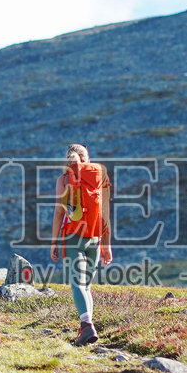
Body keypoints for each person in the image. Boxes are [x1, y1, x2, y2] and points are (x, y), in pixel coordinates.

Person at [50, 143, 112, 345]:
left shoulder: (63, 179)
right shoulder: (98, 175)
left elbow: (60, 212)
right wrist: (106, 244)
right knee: (86, 286)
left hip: (72, 238)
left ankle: (86, 327)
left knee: (77, 283)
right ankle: (87, 329)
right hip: (95, 238)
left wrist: (54, 242)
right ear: (87, 157)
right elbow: (104, 211)